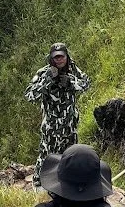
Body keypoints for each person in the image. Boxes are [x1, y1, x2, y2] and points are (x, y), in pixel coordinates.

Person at [25, 42, 90, 185]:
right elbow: (30, 95)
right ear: (51, 58)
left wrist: (71, 82)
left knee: (70, 155)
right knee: (47, 155)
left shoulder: (73, 69)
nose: (59, 60)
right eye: (56, 57)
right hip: (51, 126)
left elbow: (86, 84)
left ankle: (67, 183)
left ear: (66, 56)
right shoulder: (43, 72)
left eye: (62, 56)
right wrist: (47, 80)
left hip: (70, 124)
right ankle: (40, 183)